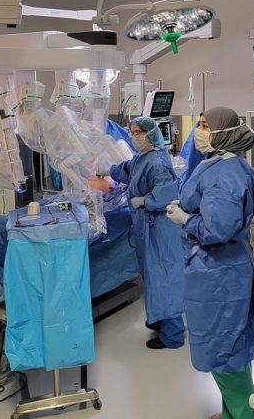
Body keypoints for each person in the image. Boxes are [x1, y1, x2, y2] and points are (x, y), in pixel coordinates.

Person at [166, 106, 254, 419]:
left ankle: (244, 415)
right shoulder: (220, 163)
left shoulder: (225, 173)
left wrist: (185, 219)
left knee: (225, 356)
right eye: (199, 124)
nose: (198, 131)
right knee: (230, 354)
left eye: (205, 125)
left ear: (224, 132)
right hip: (219, 269)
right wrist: (188, 208)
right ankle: (231, 414)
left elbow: (217, 229)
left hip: (219, 275)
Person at [89, 116, 185, 349]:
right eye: (131, 133)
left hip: (160, 229)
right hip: (147, 226)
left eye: (138, 133)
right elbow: (127, 169)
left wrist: (141, 201)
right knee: (152, 277)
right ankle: (160, 319)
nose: (133, 137)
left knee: (163, 278)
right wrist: (106, 170)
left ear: (150, 135)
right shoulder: (143, 157)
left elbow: (165, 195)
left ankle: (173, 335)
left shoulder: (158, 162)